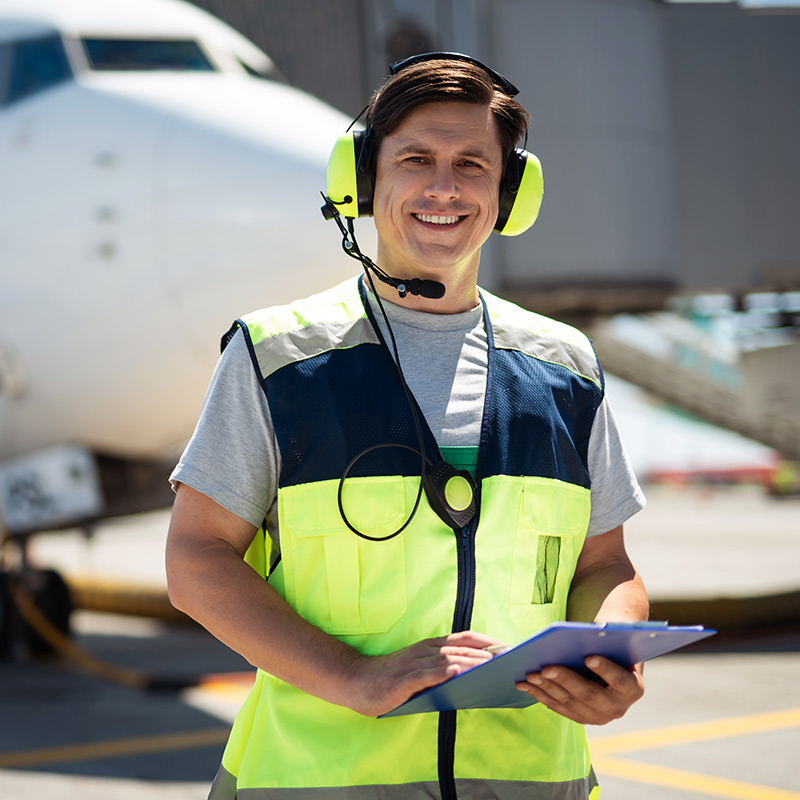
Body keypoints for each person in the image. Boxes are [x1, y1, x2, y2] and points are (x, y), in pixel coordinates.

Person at [166, 52, 649, 800]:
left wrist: (614, 652)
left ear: (510, 194)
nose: (444, 188)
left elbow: (604, 565)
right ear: (363, 181)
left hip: (530, 783)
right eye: (416, 159)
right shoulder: (277, 357)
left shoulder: (566, 366)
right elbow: (197, 561)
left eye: (472, 165)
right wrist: (352, 678)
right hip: (319, 784)